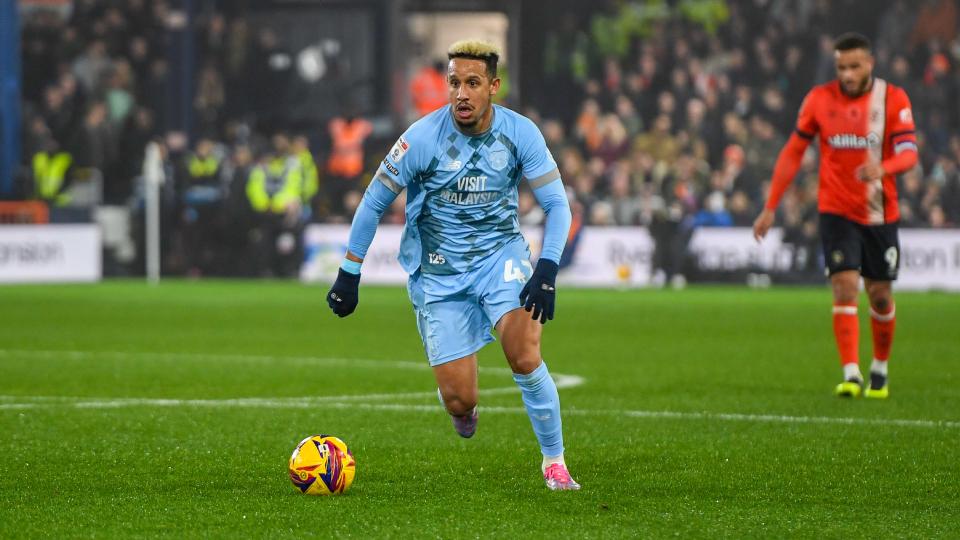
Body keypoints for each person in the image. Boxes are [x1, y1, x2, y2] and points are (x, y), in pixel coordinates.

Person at [325, 40, 579, 490]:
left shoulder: (522, 134)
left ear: (494, 87)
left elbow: (558, 206)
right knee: (460, 400)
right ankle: (464, 408)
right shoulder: (420, 139)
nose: (461, 93)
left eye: (473, 83)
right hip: (440, 272)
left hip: (502, 258)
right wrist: (349, 272)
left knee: (523, 353)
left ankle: (554, 461)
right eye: (454, 83)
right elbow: (372, 203)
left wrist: (547, 268)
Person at [753, 33, 918, 399]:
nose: (846, 74)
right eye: (841, 67)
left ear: (870, 63)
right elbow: (793, 152)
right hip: (836, 210)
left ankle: (880, 369)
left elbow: (909, 153)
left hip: (879, 214)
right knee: (844, 286)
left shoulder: (893, 99)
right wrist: (770, 207)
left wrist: (884, 168)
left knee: (879, 296)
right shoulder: (819, 99)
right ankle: (850, 374)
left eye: (854, 66)